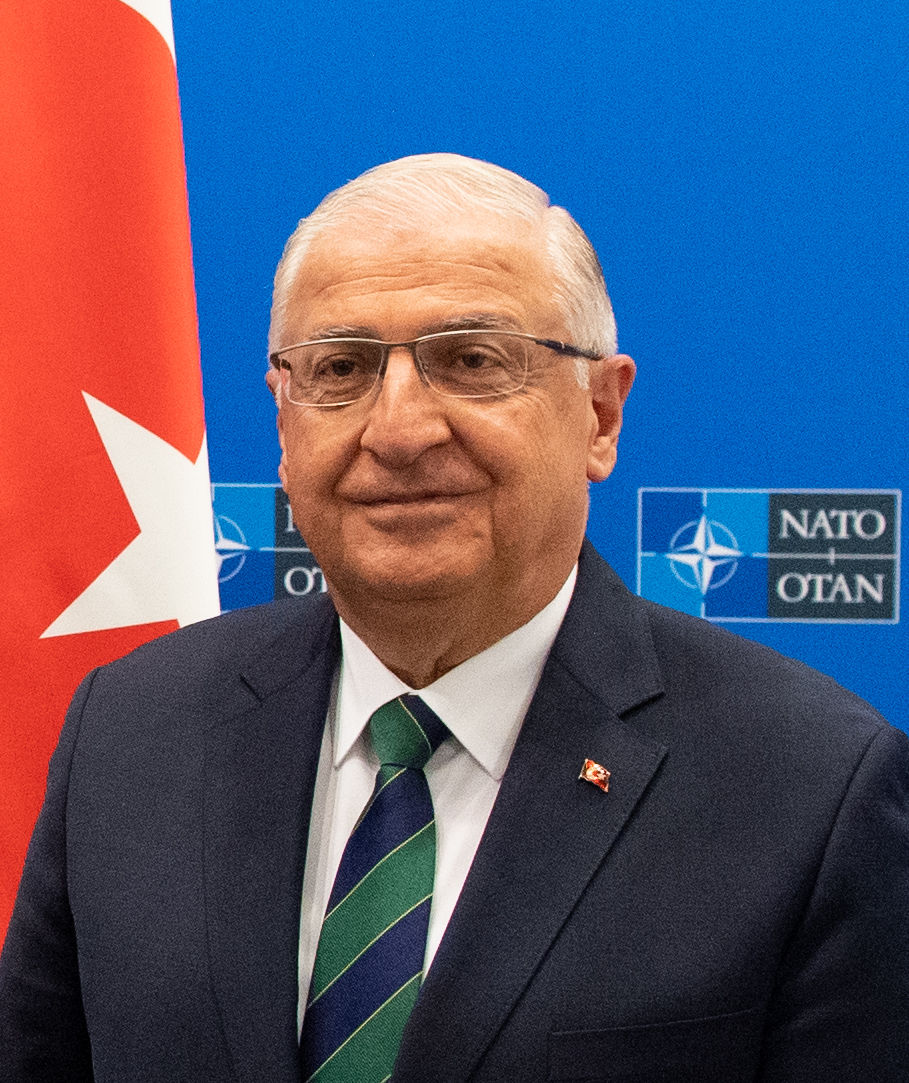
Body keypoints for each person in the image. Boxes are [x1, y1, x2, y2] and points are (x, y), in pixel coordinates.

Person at [1, 153, 907, 1082]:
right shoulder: (131, 730)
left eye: (472, 360)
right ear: (282, 423)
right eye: (340, 368)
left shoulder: (812, 790)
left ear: (599, 416)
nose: (398, 431)